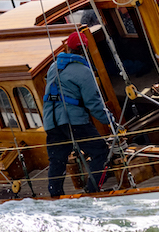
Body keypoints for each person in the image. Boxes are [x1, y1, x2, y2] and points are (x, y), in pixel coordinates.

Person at [43, 31, 114, 197]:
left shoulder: (54, 66)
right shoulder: (84, 72)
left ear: (67, 47)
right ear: (85, 50)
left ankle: (55, 196)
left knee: (57, 159)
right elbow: (94, 103)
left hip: (50, 121)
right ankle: (93, 190)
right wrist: (110, 121)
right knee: (100, 151)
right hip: (73, 120)